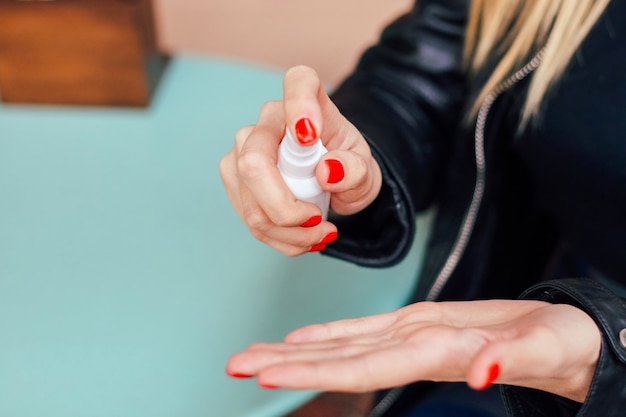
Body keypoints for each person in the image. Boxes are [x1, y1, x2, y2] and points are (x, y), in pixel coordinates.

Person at [219, 0, 626, 416]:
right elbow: (427, 69)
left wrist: (612, 359)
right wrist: (356, 160)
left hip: (581, 343)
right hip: (545, 293)